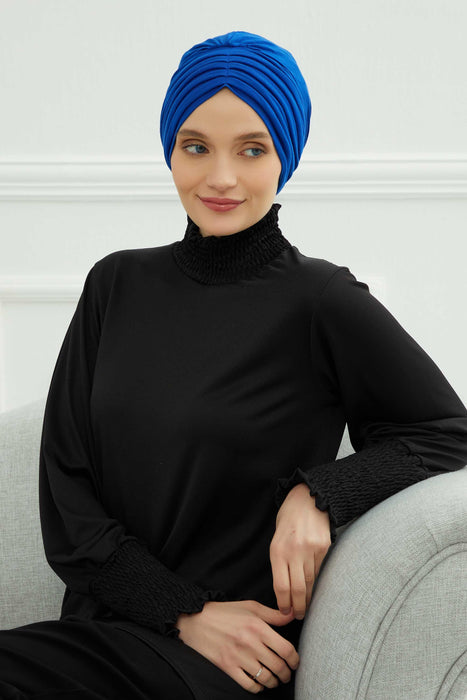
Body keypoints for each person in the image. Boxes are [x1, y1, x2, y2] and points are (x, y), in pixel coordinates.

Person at [1, 30, 466, 700]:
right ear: (170, 150)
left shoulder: (321, 301)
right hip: (103, 642)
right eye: (196, 147)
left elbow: (447, 431)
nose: (220, 177)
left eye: (251, 149)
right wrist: (184, 612)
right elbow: (68, 512)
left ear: (285, 157)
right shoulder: (114, 286)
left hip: (231, 668)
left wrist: (319, 494)